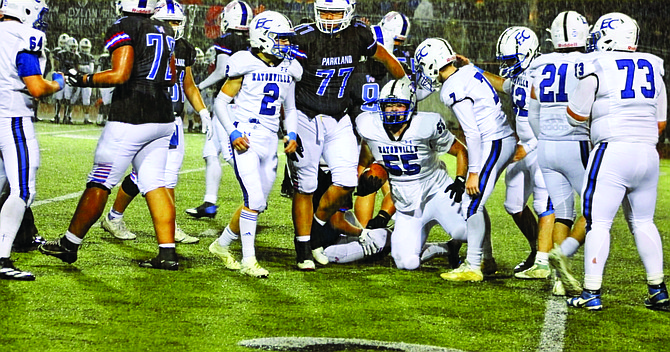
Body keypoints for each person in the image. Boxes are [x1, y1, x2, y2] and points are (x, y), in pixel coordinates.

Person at [39, 0, 180, 270]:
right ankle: (167, 253)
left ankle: (70, 244)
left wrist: (82, 79)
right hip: (163, 115)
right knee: (155, 182)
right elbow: (171, 75)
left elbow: (120, 74)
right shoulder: (164, 29)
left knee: (100, 180)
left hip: (132, 114)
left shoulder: (123, 25)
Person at [289, 0, 405, 271]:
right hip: (307, 116)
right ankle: (303, 247)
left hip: (339, 117)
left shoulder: (359, 34)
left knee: (346, 181)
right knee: (305, 186)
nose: (329, 18)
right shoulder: (303, 36)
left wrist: (404, 83)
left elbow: (387, 58)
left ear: (348, 13)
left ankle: (315, 235)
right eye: (325, 12)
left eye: (336, 12)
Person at [565, 12, 668, 311]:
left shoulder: (596, 64)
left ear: (606, 37)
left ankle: (591, 292)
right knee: (644, 222)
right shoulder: (653, 64)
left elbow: (576, 114)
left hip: (612, 150)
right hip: (649, 154)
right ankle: (657, 290)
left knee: (598, 223)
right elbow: (660, 123)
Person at [356, 78, 493, 274]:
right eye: (389, 106)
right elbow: (366, 160)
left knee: (465, 231)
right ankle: (444, 248)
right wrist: (366, 177)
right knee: (406, 263)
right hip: (406, 203)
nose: (393, 110)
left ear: (410, 106)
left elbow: (460, 150)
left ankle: (483, 254)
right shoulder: (369, 126)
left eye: (399, 105)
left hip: (438, 191)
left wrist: (461, 179)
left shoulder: (426, 124)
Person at [98, 0, 208, 245]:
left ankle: (119, 218)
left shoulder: (185, 48)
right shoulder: (144, 40)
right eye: (168, 22)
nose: (173, 26)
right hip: (146, 113)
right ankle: (123, 220)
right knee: (145, 175)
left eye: (177, 22)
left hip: (171, 118)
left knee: (160, 176)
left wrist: (203, 112)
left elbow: (188, 85)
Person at [209, 10, 302, 278]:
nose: (286, 45)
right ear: (262, 38)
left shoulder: (289, 67)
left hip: (269, 139)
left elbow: (291, 108)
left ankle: (221, 245)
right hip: (245, 136)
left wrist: (292, 133)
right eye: (280, 39)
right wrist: (232, 132)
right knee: (254, 199)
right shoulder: (244, 62)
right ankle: (249, 261)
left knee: (257, 203)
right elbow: (221, 102)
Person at [414, 37, 516, 280]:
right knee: (475, 201)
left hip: (494, 140)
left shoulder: (452, 87)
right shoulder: (468, 70)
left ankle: (473, 265)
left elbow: (471, 132)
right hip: (499, 138)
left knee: (471, 203)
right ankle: (487, 260)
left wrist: (473, 171)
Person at [483, 27, 556, 281]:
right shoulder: (524, 71)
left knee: (544, 205)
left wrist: (531, 143)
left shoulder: (545, 72)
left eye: (511, 60)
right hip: (523, 146)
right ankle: (538, 250)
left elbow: (553, 116)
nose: (507, 65)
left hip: (542, 146)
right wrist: (472, 70)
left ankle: (544, 263)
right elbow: (505, 85)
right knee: (513, 204)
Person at [527, 11, 590, 297]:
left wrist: (545, 138)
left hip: (547, 146)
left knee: (563, 211)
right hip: (576, 143)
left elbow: (533, 112)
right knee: (596, 211)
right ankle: (567, 255)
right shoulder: (591, 61)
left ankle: (558, 280)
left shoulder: (540, 64)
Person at [0, 0, 62, 280]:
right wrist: (58, 83)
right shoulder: (24, 36)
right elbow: (36, 87)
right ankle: (2, 259)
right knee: (23, 191)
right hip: (11, 117)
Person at [184, 0, 252, 220]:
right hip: (243, 101)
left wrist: (197, 87)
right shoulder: (251, 40)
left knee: (232, 154)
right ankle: (209, 203)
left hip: (228, 104)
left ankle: (254, 193)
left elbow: (222, 71)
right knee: (211, 152)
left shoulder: (227, 39)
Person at [74, 38, 95, 124]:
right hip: (77, 79)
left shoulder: (90, 57)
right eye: (83, 47)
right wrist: (85, 68)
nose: (85, 49)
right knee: (73, 98)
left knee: (86, 100)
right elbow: (76, 68)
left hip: (86, 80)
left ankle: (86, 118)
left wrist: (81, 67)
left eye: (86, 47)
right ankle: (68, 116)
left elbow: (91, 70)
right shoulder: (76, 55)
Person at [51, 33, 70, 123]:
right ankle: (58, 115)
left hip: (66, 75)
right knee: (59, 97)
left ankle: (63, 116)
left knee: (66, 97)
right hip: (61, 75)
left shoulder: (73, 54)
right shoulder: (58, 52)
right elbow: (56, 64)